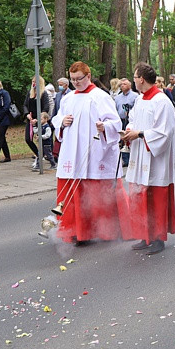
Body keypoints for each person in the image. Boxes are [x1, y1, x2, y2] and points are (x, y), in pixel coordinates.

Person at [52, 61, 128, 245]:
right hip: (72, 153)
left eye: (79, 79)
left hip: (94, 153)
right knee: (73, 193)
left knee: (97, 194)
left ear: (88, 76)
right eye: (73, 80)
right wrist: (62, 122)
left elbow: (116, 124)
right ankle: (75, 232)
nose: (76, 83)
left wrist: (105, 127)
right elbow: (56, 118)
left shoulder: (100, 97)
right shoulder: (67, 99)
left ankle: (107, 231)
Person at [121, 62, 175, 255]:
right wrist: (129, 130)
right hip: (140, 155)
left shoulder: (162, 101)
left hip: (156, 160)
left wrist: (139, 134)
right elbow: (133, 121)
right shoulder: (140, 100)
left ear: (141, 80)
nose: (133, 80)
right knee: (140, 195)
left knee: (156, 197)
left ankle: (158, 238)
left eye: (135, 77)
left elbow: (165, 132)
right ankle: (145, 235)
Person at [23, 75, 52, 170]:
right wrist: (27, 114)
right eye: (32, 82)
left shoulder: (44, 94)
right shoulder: (30, 93)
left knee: (42, 140)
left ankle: (42, 157)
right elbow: (25, 105)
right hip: (30, 119)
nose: (33, 84)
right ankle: (39, 155)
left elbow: (46, 107)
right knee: (28, 139)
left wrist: (39, 118)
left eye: (35, 82)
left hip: (40, 120)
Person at [115, 78, 138, 168]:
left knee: (129, 138)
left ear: (129, 85)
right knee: (122, 139)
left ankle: (132, 158)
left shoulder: (135, 96)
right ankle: (125, 159)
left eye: (124, 84)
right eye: (121, 84)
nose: (122, 86)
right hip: (120, 120)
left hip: (130, 121)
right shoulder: (117, 97)